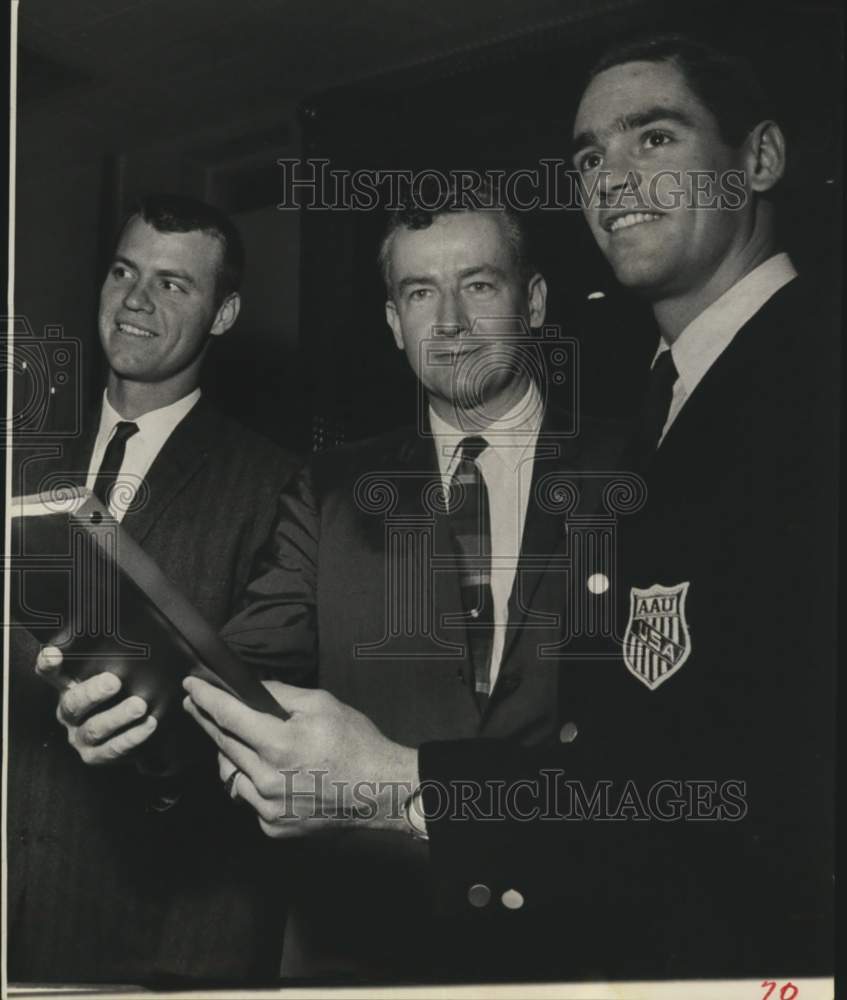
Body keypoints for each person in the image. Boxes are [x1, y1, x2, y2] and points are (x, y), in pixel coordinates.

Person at [183, 34, 837, 983]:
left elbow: (732, 767)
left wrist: (394, 781)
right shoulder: (330, 489)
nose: (448, 323)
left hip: (591, 947)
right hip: (370, 949)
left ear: (533, 300)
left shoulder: (651, 451)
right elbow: (240, 676)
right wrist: (152, 698)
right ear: (391, 322)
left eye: (652, 138)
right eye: (588, 158)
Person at [9, 194, 299, 986]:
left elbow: (263, 734)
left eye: (175, 285)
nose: (136, 300)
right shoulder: (22, 453)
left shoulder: (277, 486)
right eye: (124, 272)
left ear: (225, 312)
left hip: (158, 936)